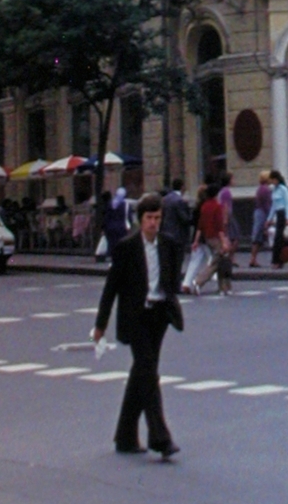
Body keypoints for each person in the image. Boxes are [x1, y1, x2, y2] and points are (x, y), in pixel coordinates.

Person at [92, 193, 182, 459]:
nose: (154, 223)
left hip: (158, 316)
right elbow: (112, 288)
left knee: (142, 372)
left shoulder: (169, 244)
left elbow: (171, 281)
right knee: (148, 372)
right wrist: (100, 324)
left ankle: (125, 435)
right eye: (149, 218)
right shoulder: (127, 246)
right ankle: (160, 437)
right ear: (140, 219)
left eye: (157, 218)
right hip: (136, 318)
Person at [190, 184, 230, 295]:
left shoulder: (204, 206)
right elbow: (219, 226)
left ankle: (223, 287)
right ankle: (198, 281)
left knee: (220, 260)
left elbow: (200, 226)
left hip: (207, 237)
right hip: (216, 238)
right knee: (217, 262)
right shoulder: (217, 206)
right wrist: (224, 242)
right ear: (216, 195)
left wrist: (196, 241)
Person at [248, 170, 273, 268]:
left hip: (259, 212)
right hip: (262, 213)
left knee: (258, 238)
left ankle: (253, 259)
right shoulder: (265, 190)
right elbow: (267, 205)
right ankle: (253, 259)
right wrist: (269, 218)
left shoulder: (261, 188)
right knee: (258, 237)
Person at [268, 170, 288, 268]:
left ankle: (277, 261)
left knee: (278, 238)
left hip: (283, 214)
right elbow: (273, 206)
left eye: (273, 180)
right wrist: (269, 219)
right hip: (278, 214)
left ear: (277, 179)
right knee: (279, 238)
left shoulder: (283, 189)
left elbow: (287, 204)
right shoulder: (274, 190)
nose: (272, 182)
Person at [160, 180, 192, 253]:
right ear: (182, 187)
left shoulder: (165, 199)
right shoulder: (179, 200)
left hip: (165, 231)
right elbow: (184, 218)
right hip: (177, 235)